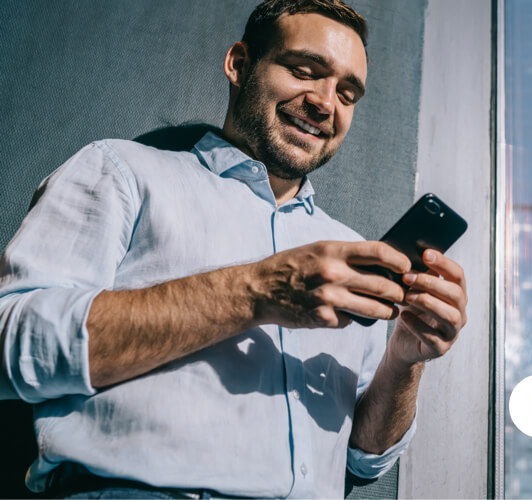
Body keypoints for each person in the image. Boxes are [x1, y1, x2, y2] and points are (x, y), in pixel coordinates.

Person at [0, 1, 468, 498]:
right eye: (305, 71)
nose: (326, 103)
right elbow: (9, 347)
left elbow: (366, 460)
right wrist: (256, 291)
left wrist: (403, 359)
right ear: (240, 65)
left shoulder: (355, 256)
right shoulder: (122, 171)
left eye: (347, 94)